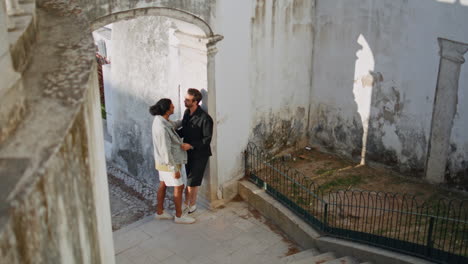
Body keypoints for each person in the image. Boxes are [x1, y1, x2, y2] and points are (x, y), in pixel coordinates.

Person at [149, 98, 195, 224]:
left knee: (163, 184)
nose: (174, 107)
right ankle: (179, 216)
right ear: (167, 110)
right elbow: (166, 151)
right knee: (179, 186)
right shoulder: (162, 128)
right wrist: (174, 169)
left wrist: (185, 117)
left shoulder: (161, 120)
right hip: (168, 163)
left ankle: (160, 212)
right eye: (172, 106)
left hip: (161, 162)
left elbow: (173, 125)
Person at [177, 88, 213, 214]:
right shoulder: (187, 113)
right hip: (188, 153)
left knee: (192, 180)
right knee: (191, 180)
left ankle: (189, 204)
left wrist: (191, 145)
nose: (184, 101)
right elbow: (184, 130)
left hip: (200, 154)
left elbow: (207, 140)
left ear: (196, 101)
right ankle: (191, 203)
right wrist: (172, 133)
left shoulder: (205, 118)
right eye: (185, 98)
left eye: (188, 100)